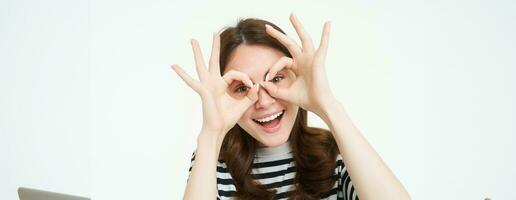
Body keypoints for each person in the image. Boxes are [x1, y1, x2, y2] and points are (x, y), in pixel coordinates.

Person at [171, 13, 410, 200]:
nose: (264, 101)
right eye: (243, 88)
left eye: (276, 78)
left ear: (297, 78)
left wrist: (328, 105)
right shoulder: (212, 161)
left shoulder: (335, 151)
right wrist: (211, 134)